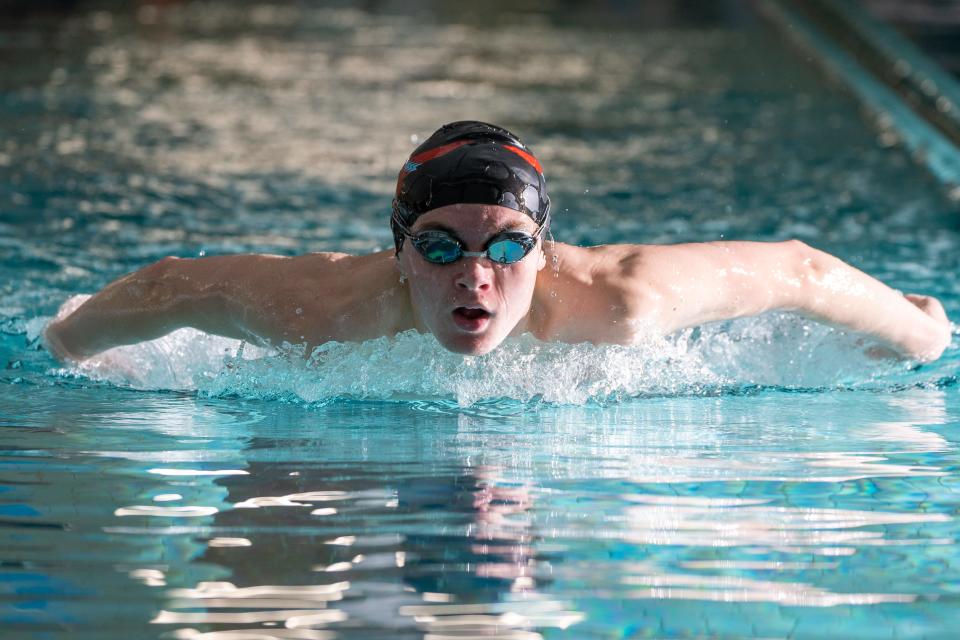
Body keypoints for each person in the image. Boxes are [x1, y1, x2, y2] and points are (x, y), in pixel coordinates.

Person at [44, 121, 952, 363]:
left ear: (546, 253)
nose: (475, 274)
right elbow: (171, 285)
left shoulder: (621, 301)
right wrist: (70, 341)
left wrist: (920, 332)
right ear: (398, 255)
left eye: (508, 247)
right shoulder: (321, 307)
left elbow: (797, 269)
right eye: (439, 248)